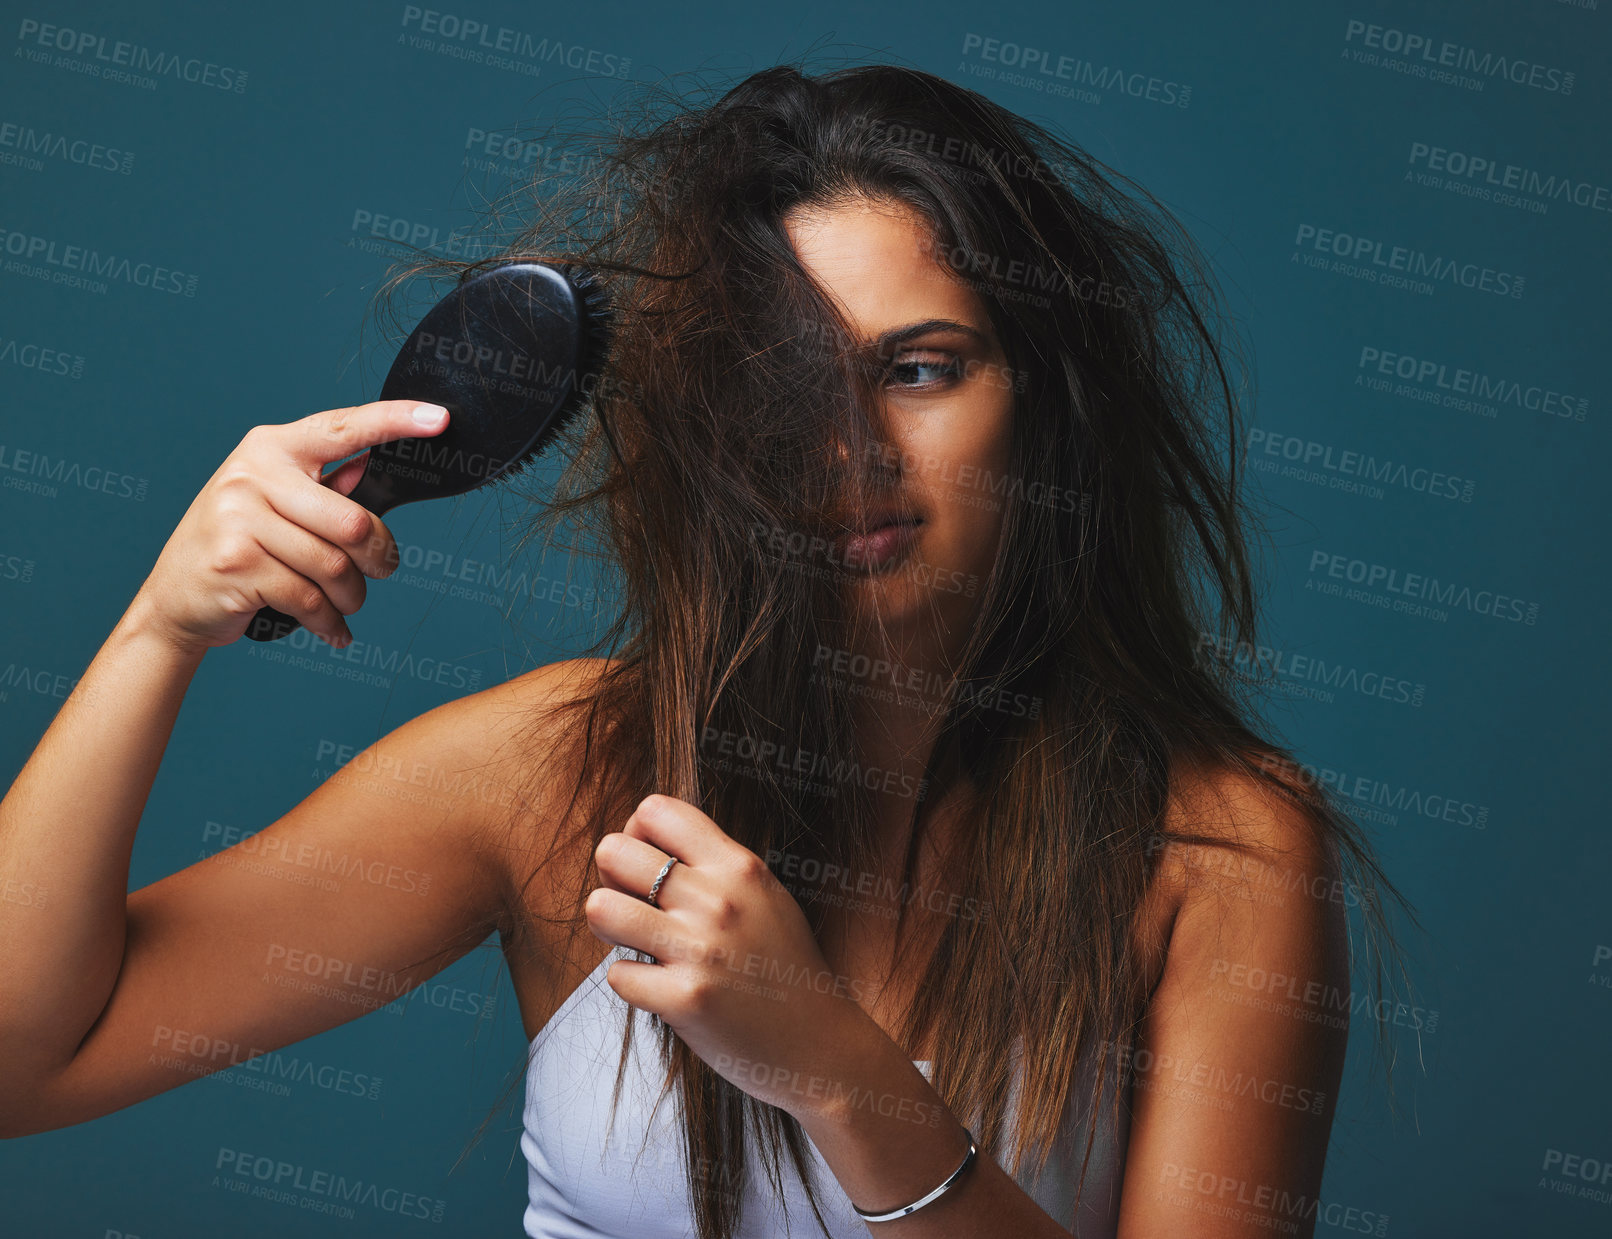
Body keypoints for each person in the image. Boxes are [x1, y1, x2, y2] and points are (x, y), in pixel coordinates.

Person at [0, 62, 1407, 1238]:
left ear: (1046, 404)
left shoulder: (1222, 856)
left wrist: (845, 1079)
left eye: (919, 368)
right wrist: (157, 629)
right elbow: (24, 1062)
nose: (848, 450)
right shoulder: (554, 781)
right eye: (787, 385)